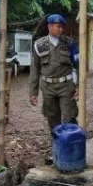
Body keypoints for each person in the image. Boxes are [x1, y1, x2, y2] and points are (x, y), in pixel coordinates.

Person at [29, 14, 79, 144]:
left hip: (66, 86)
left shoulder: (69, 43)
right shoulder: (39, 45)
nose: (61, 29)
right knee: (52, 119)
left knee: (69, 117)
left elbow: (77, 65)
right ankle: (56, 148)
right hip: (48, 87)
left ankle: (70, 146)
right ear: (49, 26)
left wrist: (78, 86)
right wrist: (33, 93)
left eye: (62, 27)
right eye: (58, 26)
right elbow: (35, 70)